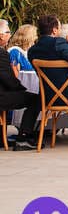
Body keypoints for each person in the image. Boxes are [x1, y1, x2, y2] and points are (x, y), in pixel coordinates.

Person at [0, 19, 41, 150]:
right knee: (36, 99)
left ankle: (2, 139)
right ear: (1, 35)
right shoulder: (2, 53)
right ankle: (24, 137)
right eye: (7, 32)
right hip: (2, 97)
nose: (9, 35)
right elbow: (8, 79)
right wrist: (22, 88)